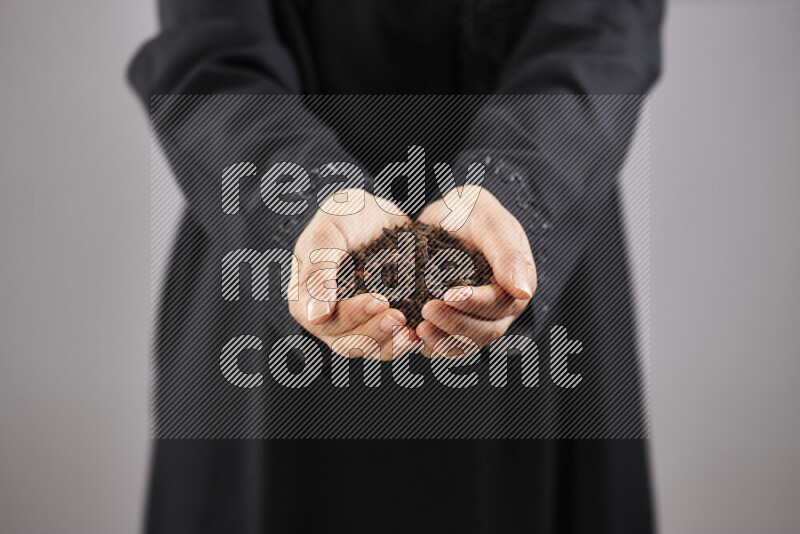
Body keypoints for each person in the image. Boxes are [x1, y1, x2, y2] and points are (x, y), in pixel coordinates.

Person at [129, 0, 663, 532]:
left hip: (536, 247)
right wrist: (302, 201)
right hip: (279, 255)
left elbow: (604, 32)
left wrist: (516, 192)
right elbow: (210, 47)